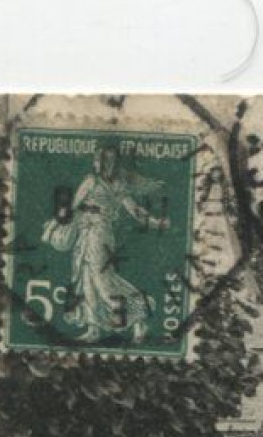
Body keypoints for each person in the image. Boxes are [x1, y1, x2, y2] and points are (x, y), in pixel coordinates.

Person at [41, 144, 170, 344]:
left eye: (108, 161)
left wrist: (155, 222)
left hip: (100, 234)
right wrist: (51, 227)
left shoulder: (118, 185)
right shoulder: (91, 181)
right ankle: (93, 328)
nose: (103, 165)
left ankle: (140, 316)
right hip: (85, 233)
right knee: (87, 281)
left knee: (104, 281)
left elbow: (134, 211)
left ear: (114, 163)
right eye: (101, 160)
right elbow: (72, 209)